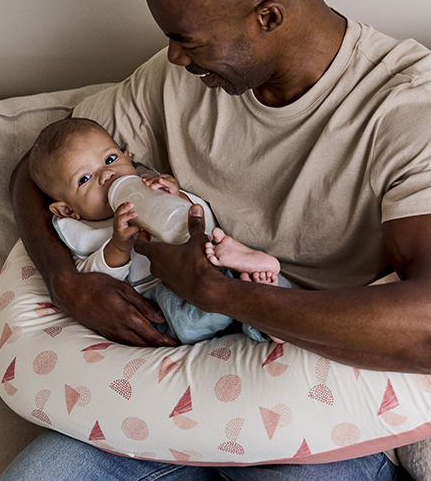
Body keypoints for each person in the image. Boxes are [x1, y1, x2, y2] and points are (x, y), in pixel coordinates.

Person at [1, 0, 431, 479]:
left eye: (188, 41)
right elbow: (35, 167)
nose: (175, 56)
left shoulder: (410, 107)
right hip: (172, 373)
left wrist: (213, 291)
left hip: (305, 399)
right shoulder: (176, 79)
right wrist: (64, 281)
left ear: (268, 17)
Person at [28, 116, 285, 344]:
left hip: (208, 260)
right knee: (187, 321)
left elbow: (198, 216)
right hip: (166, 296)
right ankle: (262, 312)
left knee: (245, 291)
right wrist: (119, 246)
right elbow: (92, 282)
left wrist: (177, 197)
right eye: (84, 179)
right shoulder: (85, 230)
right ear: (67, 211)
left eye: (110, 159)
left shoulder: (150, 187)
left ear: (128, 158)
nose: (106, 175)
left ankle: (260, 289)